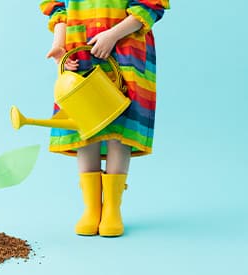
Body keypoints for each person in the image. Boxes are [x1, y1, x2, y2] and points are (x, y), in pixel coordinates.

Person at [39, 0, 169, 236]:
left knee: (119, 127)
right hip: (81, 48)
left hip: (126, 49)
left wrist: (112, 35)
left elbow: (151, 5)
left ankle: (112, 209)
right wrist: (60, 45)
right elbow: (59, 7)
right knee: (86, 124)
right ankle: (91, 209)